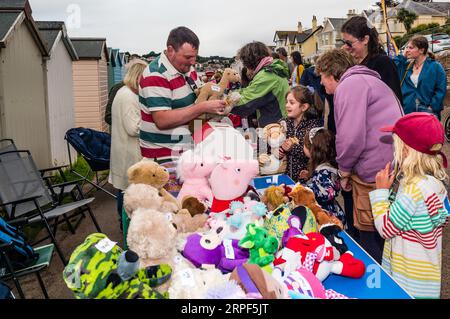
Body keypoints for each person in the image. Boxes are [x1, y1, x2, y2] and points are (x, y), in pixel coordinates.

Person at [315, 49, 403, 263]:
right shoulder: (368, 80)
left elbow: (351, 137)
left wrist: (344, 170)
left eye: (322, 77)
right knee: (384, 230)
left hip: (374, 169)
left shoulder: (348, 86)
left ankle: (377, 285)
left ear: (331, 73)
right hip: (389, 163)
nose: (321, 84)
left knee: (370, 234)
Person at [370, 112, 449, 299]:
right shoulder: (435, 184)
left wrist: (381, 193)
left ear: (406, 150)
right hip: (426, 278)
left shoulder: (413, 191)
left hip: (407, 280)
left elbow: (386, 228)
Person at [138, 26, 226, 163]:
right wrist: (203, 107)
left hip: (186, 149)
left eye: (195, 57)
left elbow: (198, 97)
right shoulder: (156, 74)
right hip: (163, 154)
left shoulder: (187, 68)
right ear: (170, 50)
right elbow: (162, 120)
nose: (193, 62)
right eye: (188, 57)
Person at [109, 59, 148, 228]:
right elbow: (133, 128)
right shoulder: (129, 96)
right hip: (129, 151)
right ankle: (125, 225)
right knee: (127, 191)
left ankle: (123, 222)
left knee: (124, 189)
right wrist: (153, 122)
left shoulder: (123, 92)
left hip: (123, 149)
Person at [341, 16, 403, 104]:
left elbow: (394, 99)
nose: (345, 47)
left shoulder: (383, 63)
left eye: (349, 43)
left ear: (365, 40)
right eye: (344, 42)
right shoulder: (350, 63)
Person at [230, 41, 290, 127]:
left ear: (249, 62)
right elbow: (248, 90)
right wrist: (234, 94)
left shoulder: (267, 75)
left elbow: (245, 104)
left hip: (275, 127)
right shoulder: (272, 69)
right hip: (279, 122)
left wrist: (224, 102)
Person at [301, 127, 346, 227]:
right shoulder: (327, 166)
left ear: (312, 149)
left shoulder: (323, 171)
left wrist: (306, 188)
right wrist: (309, 178)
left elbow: (325, 193)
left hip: (327, 216)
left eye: (304, 144)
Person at [394, 36, 447, 120]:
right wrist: (402, 57)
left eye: (411, 48)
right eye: (407, 47)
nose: (407, 50)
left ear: (421, 50)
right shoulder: (406, 66)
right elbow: (393, 66)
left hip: (427, 112)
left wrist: (432, 107)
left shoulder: (435, 66)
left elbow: (441, 89)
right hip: (407, 111)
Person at [278, 86, 322, 183]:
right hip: (285, 178)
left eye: (292, 103)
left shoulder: (313, 126)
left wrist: (292, 148)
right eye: (286, 102)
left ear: (304, 107)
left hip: (306, 180)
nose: (287, 105)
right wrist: (279, 150)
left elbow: (315, 154)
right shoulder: (283, 123)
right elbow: (272, 144)